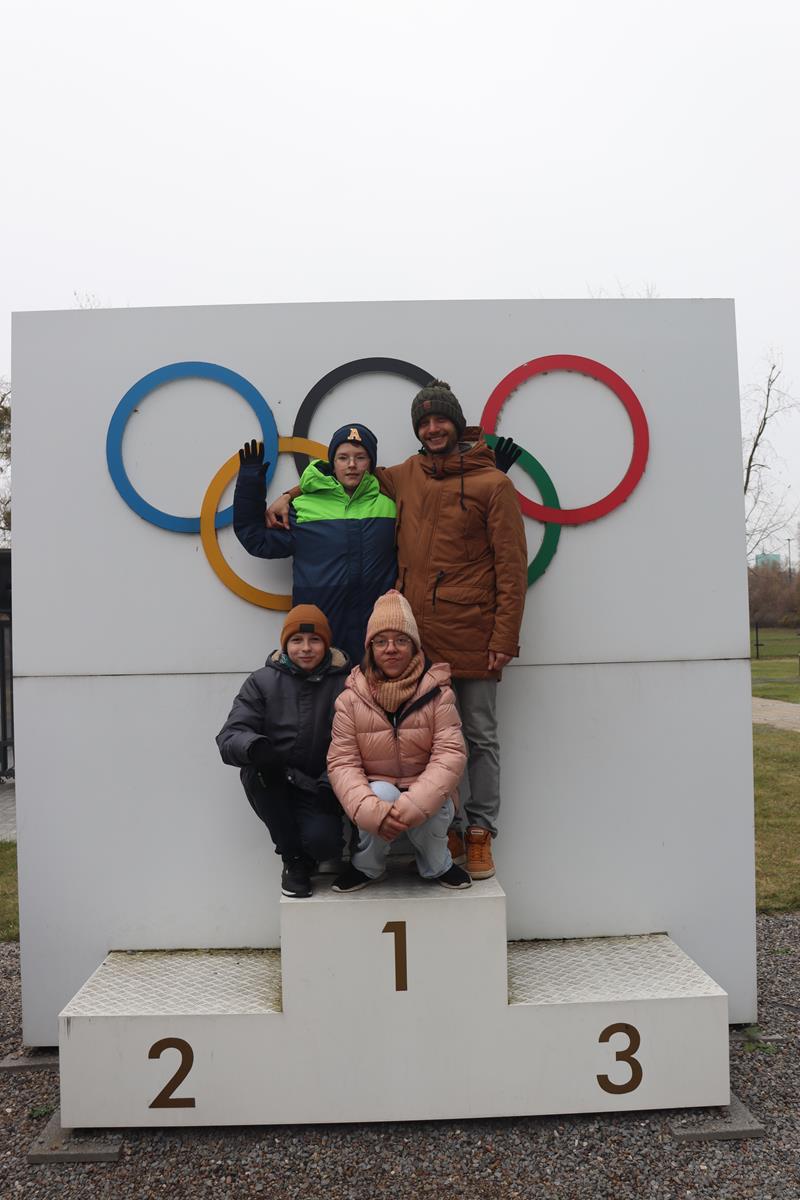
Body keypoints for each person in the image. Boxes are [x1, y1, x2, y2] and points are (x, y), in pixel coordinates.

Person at [270, 382, 527, 881]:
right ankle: (446, 828)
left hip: (473, 632)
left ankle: (479, 831)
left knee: (478, 735)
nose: (432, 429)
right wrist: (291, 493)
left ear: (456, 423)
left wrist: (504, 637)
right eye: (423, 423)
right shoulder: (406, 474)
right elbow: (349, 476)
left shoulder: (493, 484)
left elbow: (511, 569)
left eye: (440, 420)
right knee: (420, 739)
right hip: (414, 643)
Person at [327, 590, 470, 892]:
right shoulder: (350, 699)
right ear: (370, 648)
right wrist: (371, 809)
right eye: (381, 641)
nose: (391, 649)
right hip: (376, 789)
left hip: (425, 788)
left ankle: (437, 865)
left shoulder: (438, 693)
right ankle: (366, 867)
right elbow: (342, 763)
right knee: (379, 793)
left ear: (414, 646)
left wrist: (414, 803)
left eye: (401, 640)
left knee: (434, 803)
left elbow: (450, 755)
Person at [233, 423, 396, 667]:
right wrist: (250, 483)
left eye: (360, 457)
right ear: (333, 462)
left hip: (376, 638)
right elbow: (257, 540)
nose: (352, 464)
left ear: (370, 462)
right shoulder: (304, 507)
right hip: (320, 637)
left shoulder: (391, 505)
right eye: (343, 457)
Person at [216, 604, 349, 899]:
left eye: (314, 640)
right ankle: (294, 860)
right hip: (275, 778)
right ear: (285, 644)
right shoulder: (261, 682)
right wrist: (256, 748)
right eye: (297, 640)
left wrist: (330, 783)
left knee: (325, 845)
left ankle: (313, 850)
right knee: (257, 773)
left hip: (319, 785)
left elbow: (354, 743)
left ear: (326, 644)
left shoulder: (347, 684)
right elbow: (231, 735)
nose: (306, 648)